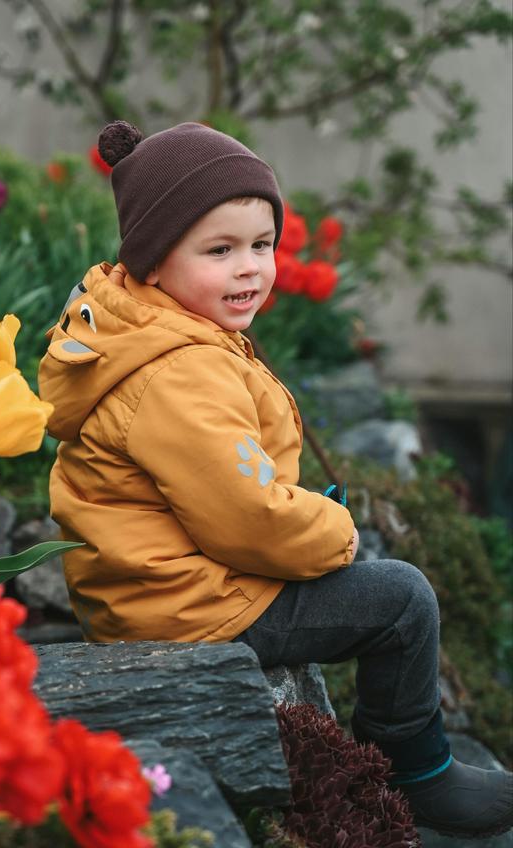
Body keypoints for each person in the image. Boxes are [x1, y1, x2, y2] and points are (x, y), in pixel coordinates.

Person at [37, 120, 513, 838]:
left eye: (262, 245)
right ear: (155, 261)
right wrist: (336, 531)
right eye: (220, 250)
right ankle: (416, 770)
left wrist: (296, 512)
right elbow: (246, 520)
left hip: (157, 582)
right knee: (401, 598)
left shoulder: (149, 329)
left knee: (363, 575)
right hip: (191, 606)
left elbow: (224, 488)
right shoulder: (177, 371)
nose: (250, 268)